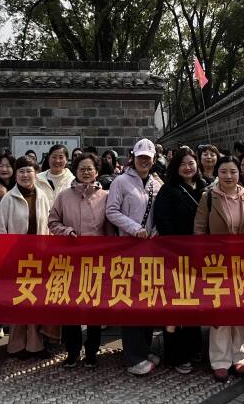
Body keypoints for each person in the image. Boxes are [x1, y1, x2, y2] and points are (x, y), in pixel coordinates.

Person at [195, 155, 244, 380]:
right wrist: (205, 259)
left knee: (240, 312)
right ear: (217, 173)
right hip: (218, 264)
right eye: (224, 171)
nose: (229, 176)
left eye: (233, 171)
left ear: (239, 174)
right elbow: (199, 230)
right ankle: (219, 360)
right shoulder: (208, 197)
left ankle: (238, 357)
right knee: (221, 312)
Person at [48, 153, 111, 367]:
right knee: (71, 306)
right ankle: (72, 351)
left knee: (94, 308)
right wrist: (66, 231)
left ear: (97, 172)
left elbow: (110, 229)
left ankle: (92, 351)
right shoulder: (64, 196)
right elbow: (52, 221)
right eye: (82, 168)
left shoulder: (105, 196)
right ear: (75, 171)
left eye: (89, 169)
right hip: (70, 260)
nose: (86, 172)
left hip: (96, 261)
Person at [107, 138, 162, 376]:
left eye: (148, 158)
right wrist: (133, 228)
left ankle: (144, 348)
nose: (144, 161)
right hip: (128, 248)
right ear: (133, 157)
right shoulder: (120, 181)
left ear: (153, 159)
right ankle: (133, 356)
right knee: (130, 301)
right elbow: (111, 211)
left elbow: (160, 213)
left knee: (148, 300)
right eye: (140, 157)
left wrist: (156, 230)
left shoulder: (156, 184)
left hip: (150, 249)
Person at [151, 147, 205, 374]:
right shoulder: (168, 190)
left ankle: (194, 348)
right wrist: (177, 248)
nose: (188, 167)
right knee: (175, 307)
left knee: (195, 304)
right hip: (176, 257)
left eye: (191, 163)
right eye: (183, 164)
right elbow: (163, 222)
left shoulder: (204, 188)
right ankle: (176, 355)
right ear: (175, 167)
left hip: (200, 256)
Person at [0, 156, 54, 357]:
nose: (25, 175)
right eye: (21, 171)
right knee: (18, 301)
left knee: (36, 300)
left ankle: (35, 345)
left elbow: (48, 226)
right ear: (16, 174)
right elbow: (1, 230)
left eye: (29, 171)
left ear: (36, 173)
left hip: (39, 257)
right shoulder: (8, 198)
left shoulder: (42, 196)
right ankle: (16, 345)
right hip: (16, 258)